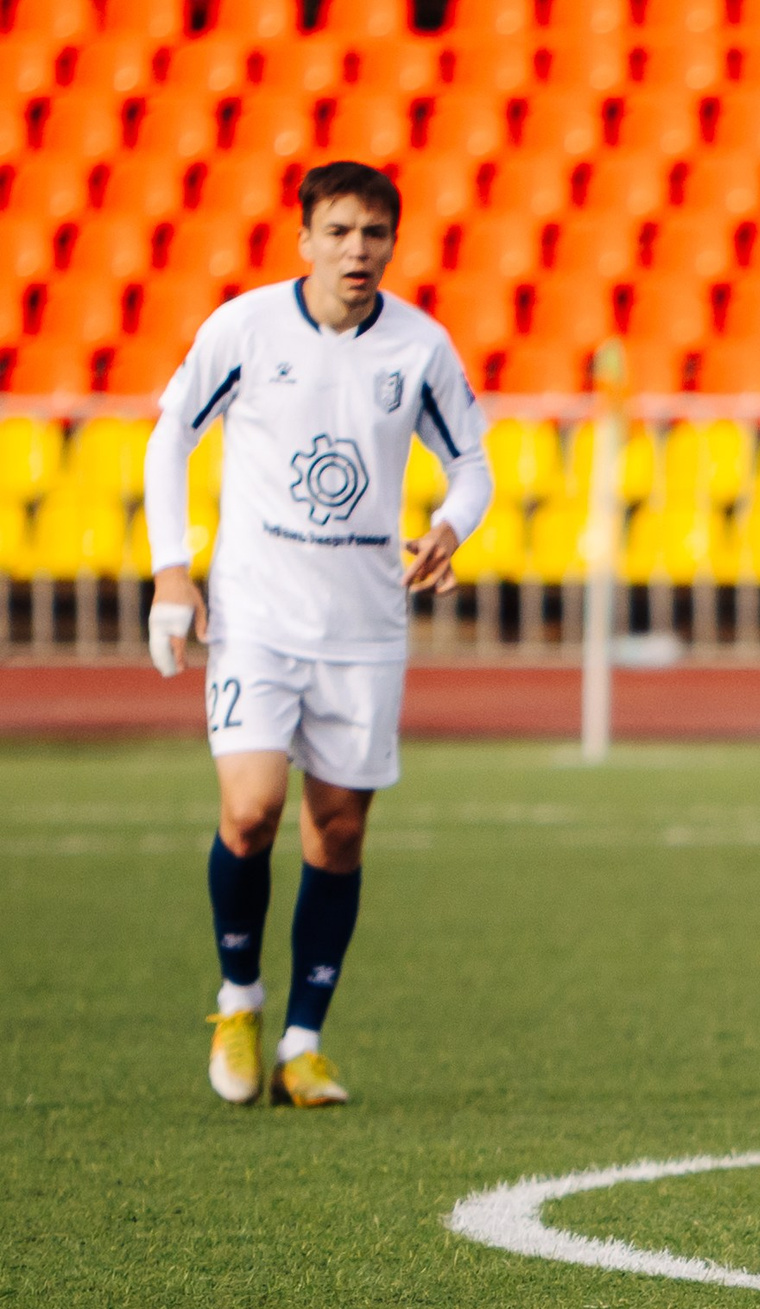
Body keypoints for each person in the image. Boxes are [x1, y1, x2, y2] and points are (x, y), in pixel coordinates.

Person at [143, 160, 491, 1108]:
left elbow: (473, 464)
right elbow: (169, 435)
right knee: (251, 810)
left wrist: (452, 527)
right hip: (256, 615)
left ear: (393, 243)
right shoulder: (247, 328)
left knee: (336, 832)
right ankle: (239, 999)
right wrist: (173, 567)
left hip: (365, 626)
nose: (357, 251)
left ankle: (303, 1041)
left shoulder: (418, 347)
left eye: (374, 234)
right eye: (338, 232)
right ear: (304, 239)